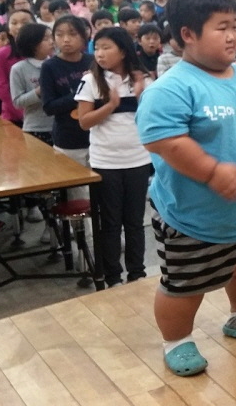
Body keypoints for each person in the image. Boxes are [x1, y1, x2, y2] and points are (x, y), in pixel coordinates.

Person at [136, 0, 236, 377]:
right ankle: (177, 342)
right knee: (186, 286)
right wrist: (210, 171)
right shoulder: (171, 88)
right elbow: (164, 142)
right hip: (194, 218)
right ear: (188, 34)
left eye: (234, 26)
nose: (232, 36)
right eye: (221, 27)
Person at [76, 26, 152, 288]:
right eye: (96, 48)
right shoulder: (91, 82)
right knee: (109, 223)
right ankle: (112, 276)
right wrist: (109, 106)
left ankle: (137, 273)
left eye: (106, 47)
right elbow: (84, 122)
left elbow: (154, 118)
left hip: (138, 160)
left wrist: (143, 97)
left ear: (123, 50)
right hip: (105, 163)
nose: (100, 53)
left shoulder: (141, 79)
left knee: (134, 222)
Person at [40, 15, 93, 187]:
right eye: (59, 35)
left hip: (96, 135)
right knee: (76, 192)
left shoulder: (92, 61)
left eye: (72, 34)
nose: (66, 40)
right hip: (68, 138)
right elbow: (49, 107)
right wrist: (82, 91)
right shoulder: (49, 66)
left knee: (100, 190)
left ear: (84, 36)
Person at [11, 23, 55, 146]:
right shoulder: (19, 68)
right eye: (46, 39)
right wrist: (40, 91)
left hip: (60, 126)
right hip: (36, 128)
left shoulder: (56, 63)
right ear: (32, 43)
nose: (52, 42)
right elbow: (18, 102)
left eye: (52, 37)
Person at [0, 9, 36, 126]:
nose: (19, 27)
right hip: (13, 115)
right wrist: (21, 113)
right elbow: (2, 89)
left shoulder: (44, 51)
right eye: (14, 23)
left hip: (41, 115)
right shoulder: (3, 54)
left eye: (25, 22)